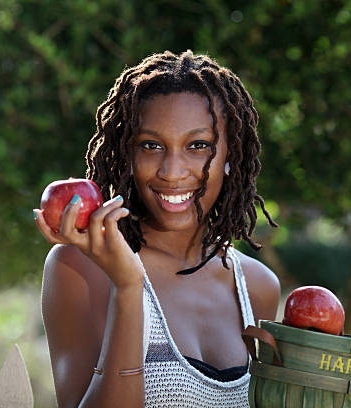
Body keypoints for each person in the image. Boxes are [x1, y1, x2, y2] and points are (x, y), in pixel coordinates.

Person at [33, 50, 281, 408]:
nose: (172, 170)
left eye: (198, 146)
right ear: (127, 154)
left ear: (231, 154)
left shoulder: (257, 287)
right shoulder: (81, 267)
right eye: (151, 146)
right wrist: (128, 287)